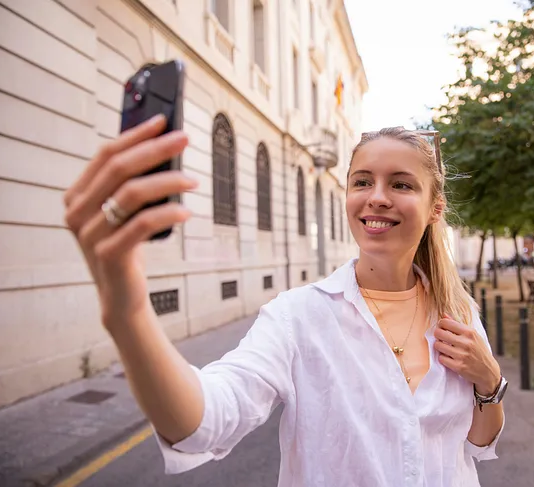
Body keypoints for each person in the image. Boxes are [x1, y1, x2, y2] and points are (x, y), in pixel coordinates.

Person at [63, 117, 507, 486]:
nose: (377, 197)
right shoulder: (298, 317)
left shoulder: (458, 311)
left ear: (434, 208)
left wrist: (489, 381)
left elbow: (477, 444)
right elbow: (205, 419)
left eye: (402, 184)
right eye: (362, 181)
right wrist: (129, 314)